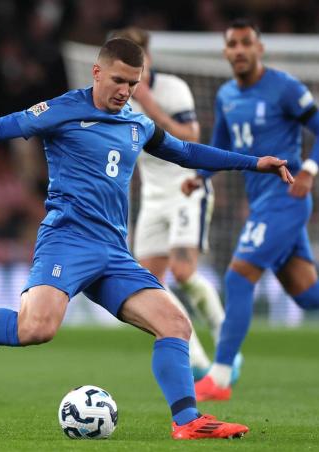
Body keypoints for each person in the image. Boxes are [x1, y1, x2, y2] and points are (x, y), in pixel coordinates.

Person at [0, 38, 294, 439]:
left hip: (112, 252)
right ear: (97, 72)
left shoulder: (138, 124)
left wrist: (254, 163)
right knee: (36, 328)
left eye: (134, 84)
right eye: (119, 80)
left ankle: (188, 421)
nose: (125, 91)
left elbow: (188, 152)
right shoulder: (62, 110)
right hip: (67, 241)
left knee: (175, 324)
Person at [182, 19, 319, 402]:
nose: (240, 50)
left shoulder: (285, 87)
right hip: (263, 203)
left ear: (259, 49)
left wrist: (309, 171)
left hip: (287, 197)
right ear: (226, 52)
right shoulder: (227, 95)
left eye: (247, 43)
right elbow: (221, 148)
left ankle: (221, 377)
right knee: (308, 294)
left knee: (237, 277)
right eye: (233, 44)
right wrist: (200, 177)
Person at [110, 27, 240, 381]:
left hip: (186, 188)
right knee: (150, 282)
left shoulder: (173, 88)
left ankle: (229, 345)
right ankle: (198, 363)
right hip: (152, 197)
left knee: (184, 272)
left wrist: (151, 105)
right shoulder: (114, 97)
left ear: (147, 59)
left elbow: (191, 138)